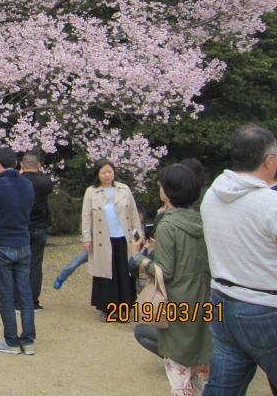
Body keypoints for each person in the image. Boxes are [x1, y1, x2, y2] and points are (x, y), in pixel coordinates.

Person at [201, 125, 277, 394]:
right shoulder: (269, 204)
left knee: (222, 388)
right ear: (268, 161)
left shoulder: (212, 195)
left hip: (221, 301)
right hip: (266, 308)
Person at [129, 164, 213, 395]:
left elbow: (163, 272)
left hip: (177, 302)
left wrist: (139, 259)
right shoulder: (202, 221)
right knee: (201, 371)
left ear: (168, 191)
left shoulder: (167, 226)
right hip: (204, 299)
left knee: (179, 371)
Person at [0, 147, 36, 355]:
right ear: (17, 164)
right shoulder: (27, 185)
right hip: (22, 242)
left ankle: (11, 341)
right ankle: (28, 340)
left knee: (6, 295)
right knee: (25, 294)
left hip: (1, 243)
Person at [80, 158, 142, 317]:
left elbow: (134, 213)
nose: (107, 175)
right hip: (103, 240)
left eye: (110, 171)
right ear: (97, 174)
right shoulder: (91, 192)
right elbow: (86, 216)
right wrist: (87, 237)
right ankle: (107, 308)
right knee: (107, 272)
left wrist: (139, 235)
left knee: (124, 272)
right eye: (103, 172)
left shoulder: (124, 189)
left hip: (123, 237)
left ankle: (125, 306)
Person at [19, 153, 53, 310]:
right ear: (39, 166)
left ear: (22, 165)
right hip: (39, 227)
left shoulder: (18, 181)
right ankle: (33, 301)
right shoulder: (45, 182)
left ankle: (19, 300)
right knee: (35, 265)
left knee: (19, 264)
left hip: (21, 227)